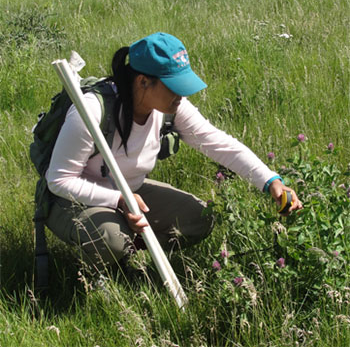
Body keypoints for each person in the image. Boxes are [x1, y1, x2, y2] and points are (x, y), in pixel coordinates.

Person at [45, 32, 302, 273]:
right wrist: (119, 201)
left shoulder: (171, 107)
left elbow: (218, 143)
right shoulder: (91, 111)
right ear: (143, 81)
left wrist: (270, 180)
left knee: (199, 218)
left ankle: (131, 251)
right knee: (110, 238)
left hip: (132, 193)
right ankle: (104, 268)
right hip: (72, 200)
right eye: (174, 85)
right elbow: (59, 179)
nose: (182, 93)